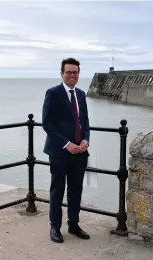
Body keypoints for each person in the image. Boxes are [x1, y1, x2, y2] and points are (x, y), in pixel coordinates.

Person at [42, 58, 90, 243]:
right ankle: (55, 227)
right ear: (61, 73)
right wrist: (66, 143)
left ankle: (74, 225)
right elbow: (48, 123)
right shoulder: (53, 93)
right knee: (57, 190)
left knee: (76, 190)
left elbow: (84, 122)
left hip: (80, 152)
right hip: (60, 152)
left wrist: (86, 139)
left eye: (75, 72)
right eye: (68, 72)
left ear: (78, 74)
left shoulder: (81, 94)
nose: (72, 75)